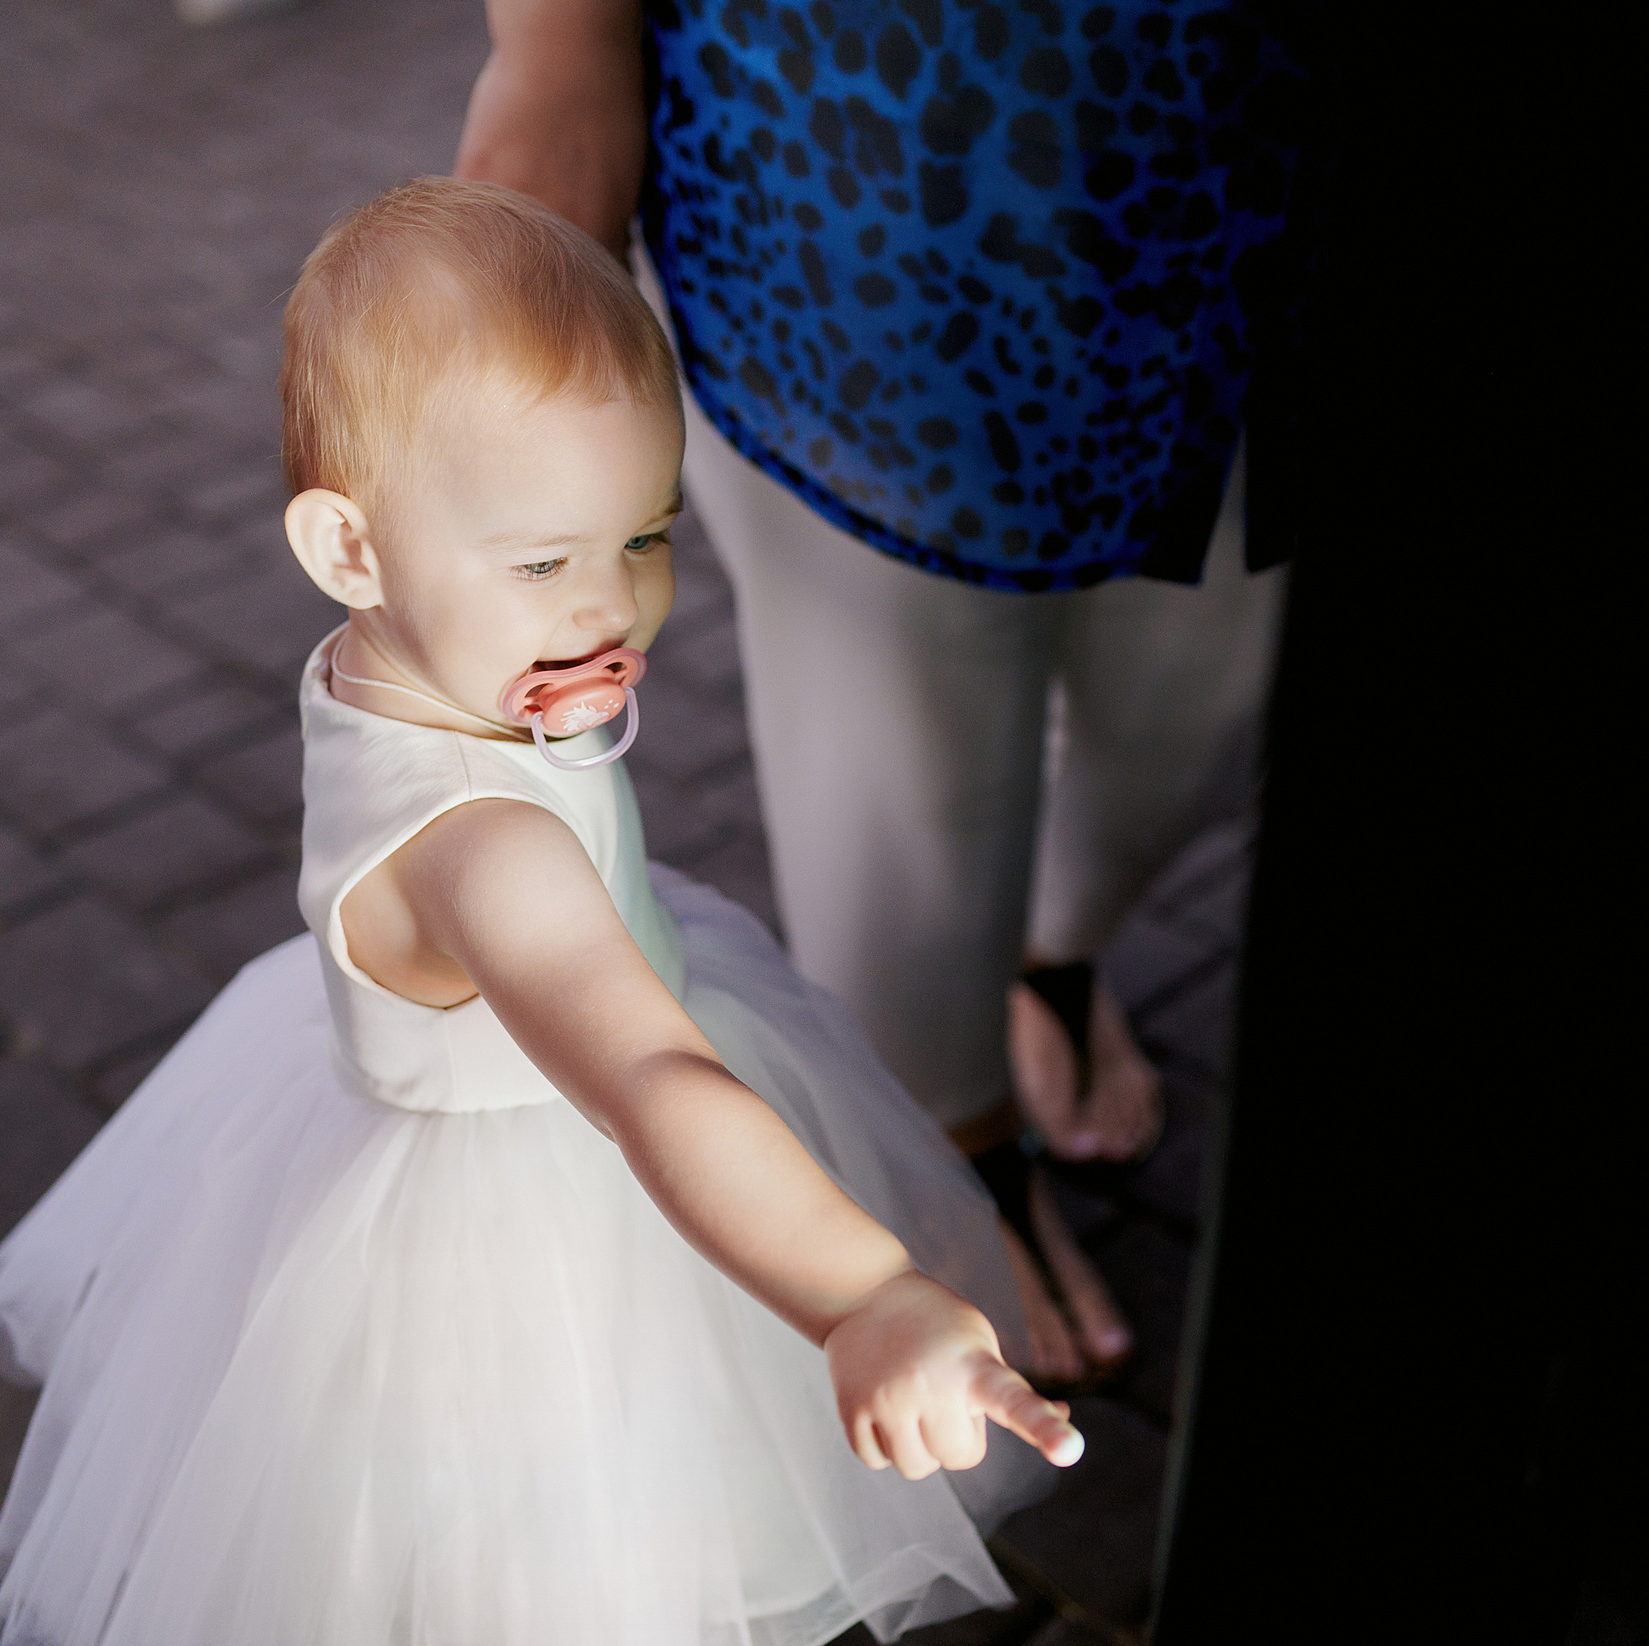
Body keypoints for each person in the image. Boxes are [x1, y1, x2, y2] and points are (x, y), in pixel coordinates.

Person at [0, 177, 1078, 1646]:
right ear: (348, 551)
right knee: (540, 1583)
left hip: (548, 1122)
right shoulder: (484, 854)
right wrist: (861, 1291)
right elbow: (655, 1080)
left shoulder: (419, 655)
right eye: (545, 561)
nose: (614, 603)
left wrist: (526, 592)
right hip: (528, 1237)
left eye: (645, 532)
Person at [457, 0, 1296, 1384]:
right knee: (903, 779)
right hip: (860, 208)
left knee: (1207, 718)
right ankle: (949, 1147)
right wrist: (558, 65)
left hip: (1254, 216)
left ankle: (1053, 948)